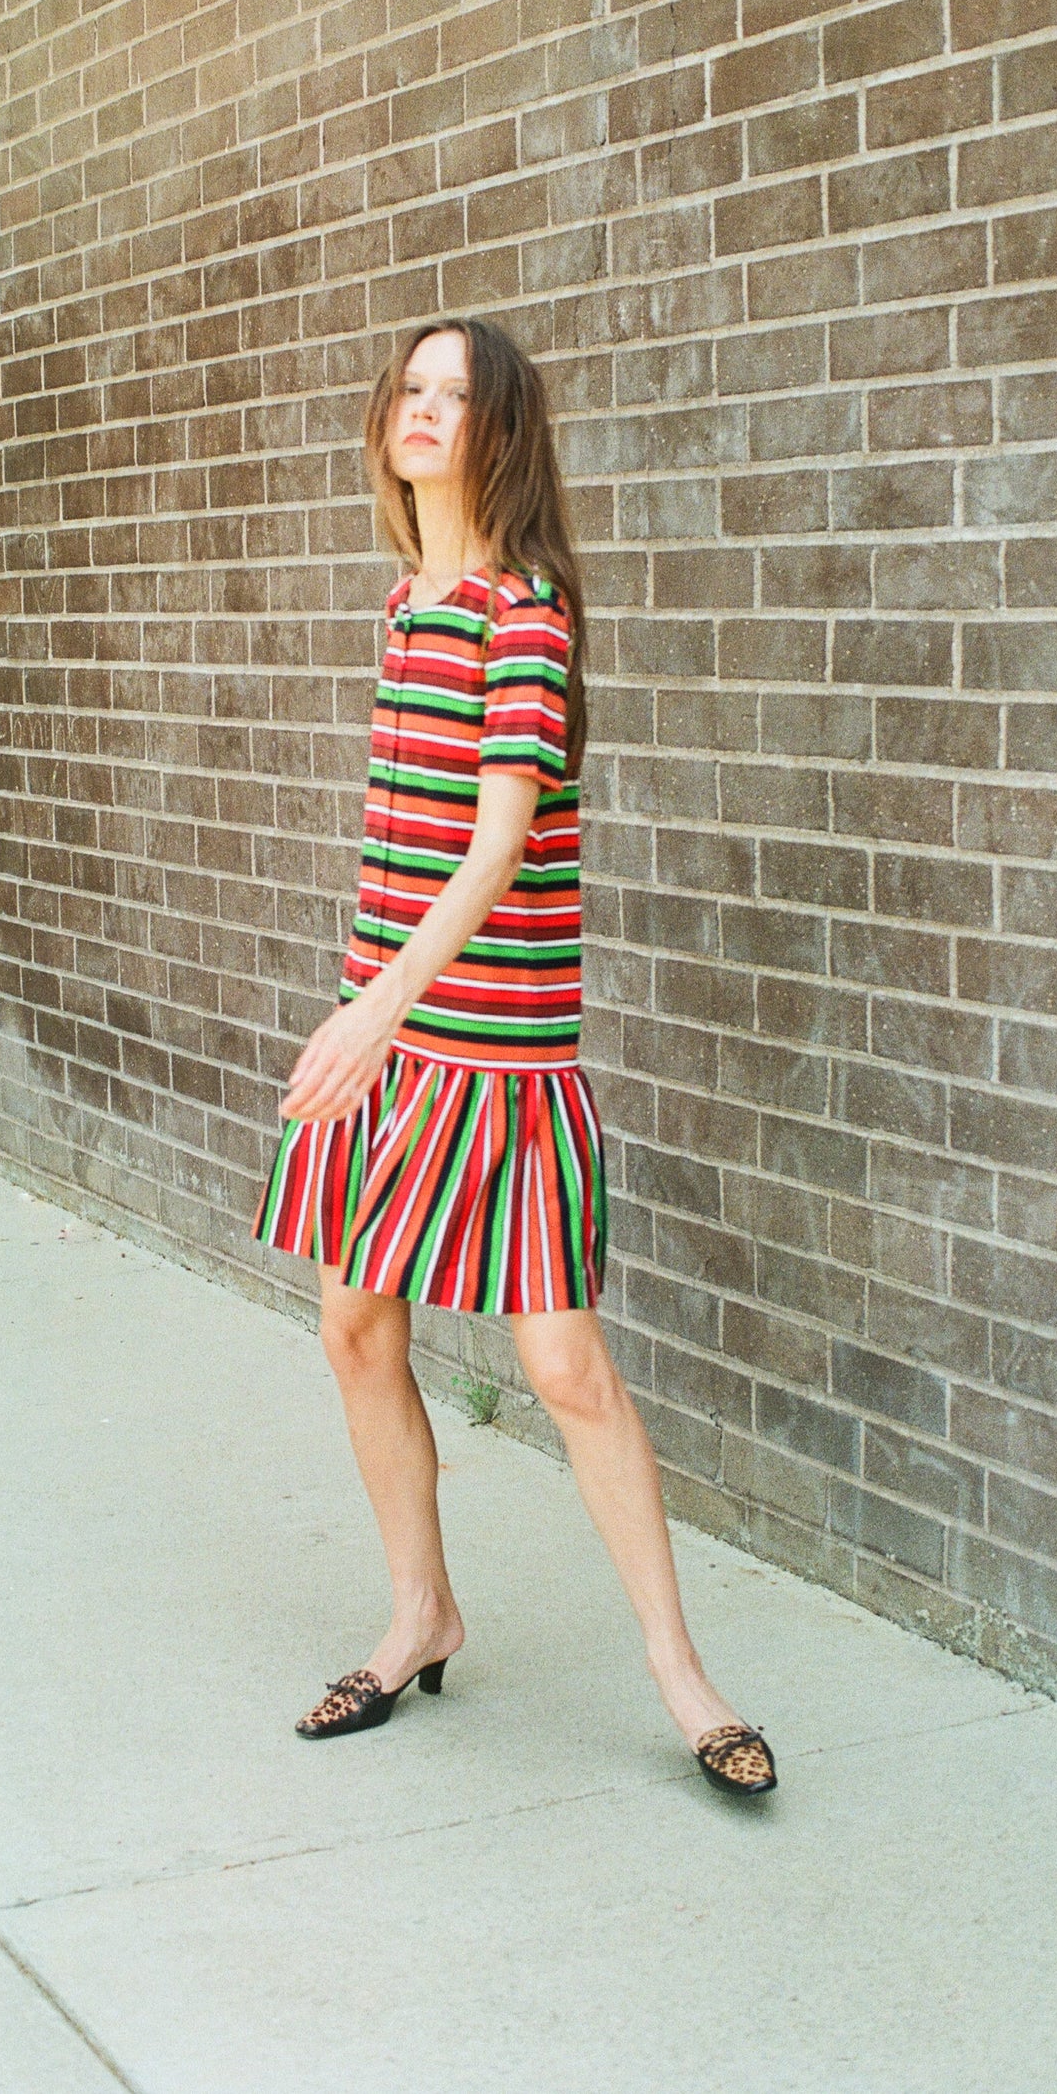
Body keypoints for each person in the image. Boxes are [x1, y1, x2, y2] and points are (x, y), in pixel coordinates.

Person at [254, 317, 777, 1797]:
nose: (424, 411)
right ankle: (419, 1614)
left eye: (458, 395)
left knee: (566, 1366)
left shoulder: (522, 611)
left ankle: (684, 1680)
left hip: (493, 1053)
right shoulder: (404, 607)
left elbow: (494, 850)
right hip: (388, 1037)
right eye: (410, 389)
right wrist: (368, 1008)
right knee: (356, 1331)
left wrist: (375, 1009)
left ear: (502, 435)